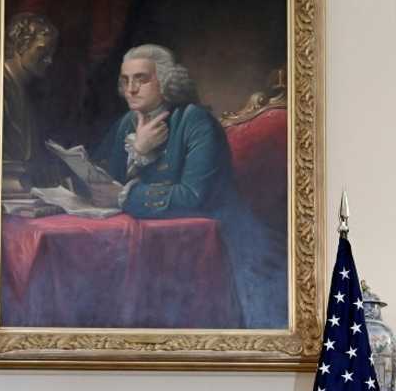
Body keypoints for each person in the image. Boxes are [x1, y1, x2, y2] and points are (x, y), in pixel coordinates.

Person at [90, 44, 287, 329]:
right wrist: (138, 150)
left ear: (167, 80)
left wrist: (124, 195)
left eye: (141, 78)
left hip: (224, 245)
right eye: (125, 80)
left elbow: (192, 197)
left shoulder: (195, 121)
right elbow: (102, 177)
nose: (131, 88)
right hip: (159, 245)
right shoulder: (127, 124)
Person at [2, 12, 60, 193]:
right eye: (42, 51)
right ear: (21, 46)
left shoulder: (23, 90)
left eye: (51, 53)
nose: (49, 60)